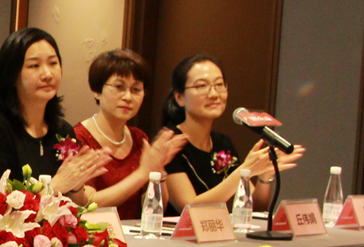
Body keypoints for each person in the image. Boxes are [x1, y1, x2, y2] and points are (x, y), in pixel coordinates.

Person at [0, 28, 110, 205]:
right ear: (12, 75)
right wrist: (53, 187)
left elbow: (75, 206)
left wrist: (76, 184)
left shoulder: (62, 130)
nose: (48, 74)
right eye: (34, 66)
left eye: (53, 63)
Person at [162, 54, 305, 212]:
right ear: (179, 97)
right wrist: (245, 171)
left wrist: (265, 176)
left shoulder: (222, 143)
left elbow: (256, 208)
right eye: (201, 86)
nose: (214, 94)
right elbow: (189, 208)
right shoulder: (168, 143)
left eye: (219, 84)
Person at [71, 49, 188, 219]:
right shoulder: (79, 137)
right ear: (96, 90)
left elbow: (156, 209)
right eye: (119, 87)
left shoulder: (139, 138)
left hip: (132, 232)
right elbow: (87, 203)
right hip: (94, 232)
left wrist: (158, 171)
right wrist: (142, 174)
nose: (128, 97)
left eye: (136, 89)